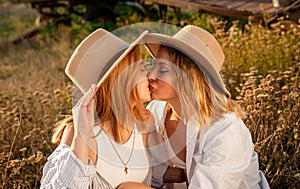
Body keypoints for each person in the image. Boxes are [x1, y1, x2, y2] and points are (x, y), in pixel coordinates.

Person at [143, 25, 270, 189]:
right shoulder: (155, 110)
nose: (150, 76)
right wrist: (171, 173)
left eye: (162, 69)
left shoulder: (226, 130)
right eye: (153, 66)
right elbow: (140, 166)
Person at [40, 28, 154, 189]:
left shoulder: (141, 125)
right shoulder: (78, 133)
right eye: (142, 69)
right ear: (120, 80)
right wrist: (82, 136)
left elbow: (148, 178)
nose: (150, 75)